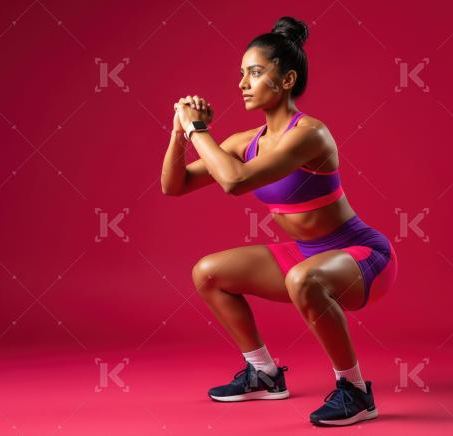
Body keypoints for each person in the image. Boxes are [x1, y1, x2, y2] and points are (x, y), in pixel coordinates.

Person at [161, 16, 398, 427]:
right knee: (208, 273)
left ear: (287, 80)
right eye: (241, 74)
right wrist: (179, 133)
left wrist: (197, 128)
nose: (242, 84)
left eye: (255, 73)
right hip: (304, 255)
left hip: (362, 256)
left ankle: (356, 391)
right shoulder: (244, 142)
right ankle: (264, 374)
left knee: (303, 280)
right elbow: (175, 185)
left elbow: (234, 182)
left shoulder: (310, 135)